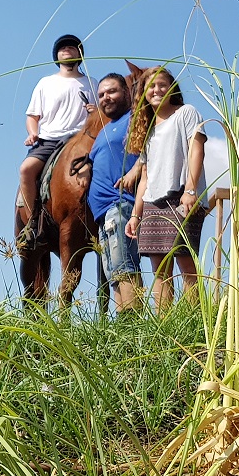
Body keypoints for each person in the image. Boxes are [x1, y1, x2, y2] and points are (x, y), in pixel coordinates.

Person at [124, 66, 207, 311]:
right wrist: (135, 215)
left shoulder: (186, 113)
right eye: (151, 86)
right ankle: (165, 327)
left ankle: (194, 322)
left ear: (172, 88)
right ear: (143, 93)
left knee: (186, 264)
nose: (157, 90)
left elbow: (196, 149)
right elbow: (146, 178)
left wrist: (190, 190)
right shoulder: (148, 130)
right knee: (160, 271)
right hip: (152, 204)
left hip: (180, 198)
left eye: (162, 85)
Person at [19, 34, 97, 246]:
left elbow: (101, 117)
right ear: (57, 56)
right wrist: (33, 132)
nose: (67, 50)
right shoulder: (46, 83)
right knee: (26, 169)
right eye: (62, 48)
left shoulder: (92, 83)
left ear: (79, 54)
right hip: (50, 140)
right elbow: (32, 116)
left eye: (71, 47)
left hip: (81, 141)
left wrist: (94, 111)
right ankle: (32, 223)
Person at [87, 74, 143, 312]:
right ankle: (124, 328)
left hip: (122, 205)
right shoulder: (104, 130)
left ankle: (134, 328)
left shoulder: (135, 118)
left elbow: (153, 146)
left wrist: (137, 168)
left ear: (127, 93)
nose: (105, 98)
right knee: (114, 273)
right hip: (103, 212)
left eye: (111, 92)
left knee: (125, 267)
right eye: (101, 95)